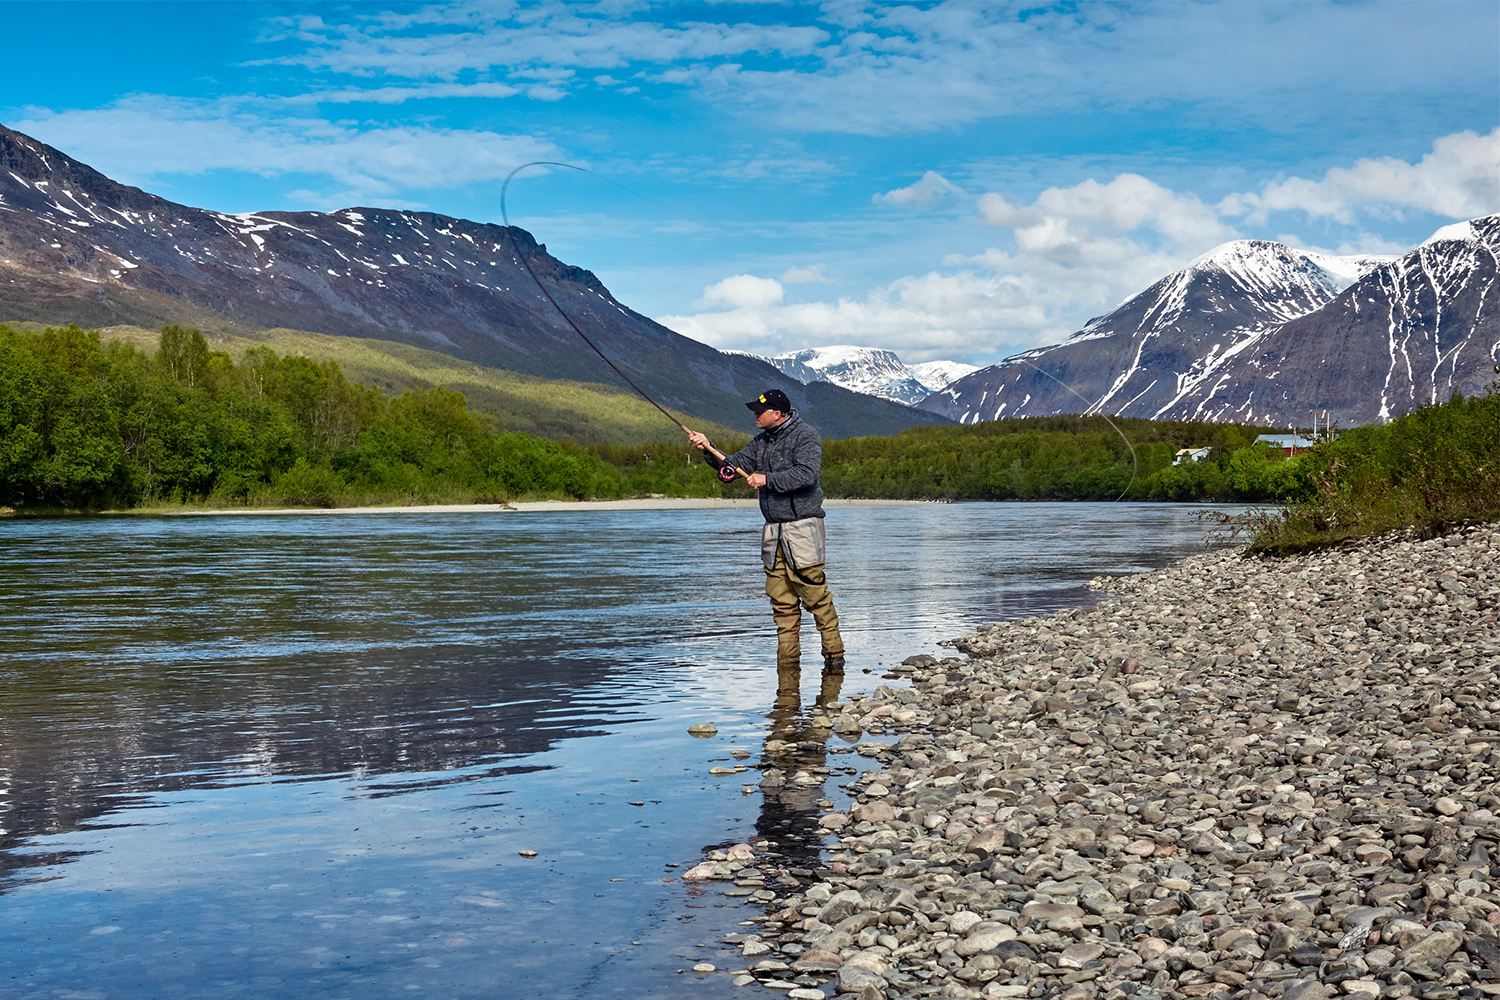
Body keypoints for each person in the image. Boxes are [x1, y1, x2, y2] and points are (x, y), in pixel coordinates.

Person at [686, 389, 845, 672]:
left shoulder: (806, 436)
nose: (755, 415)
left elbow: (807, 475)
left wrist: (766, 479)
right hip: (773, 532)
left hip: (803, 528)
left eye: (760, 411)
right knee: (781, 604)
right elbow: (732, 467)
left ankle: (834, 660)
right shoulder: (761, 441)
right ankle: (787, 668)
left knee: (816, 598)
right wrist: (708, 448)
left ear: (778, 414)